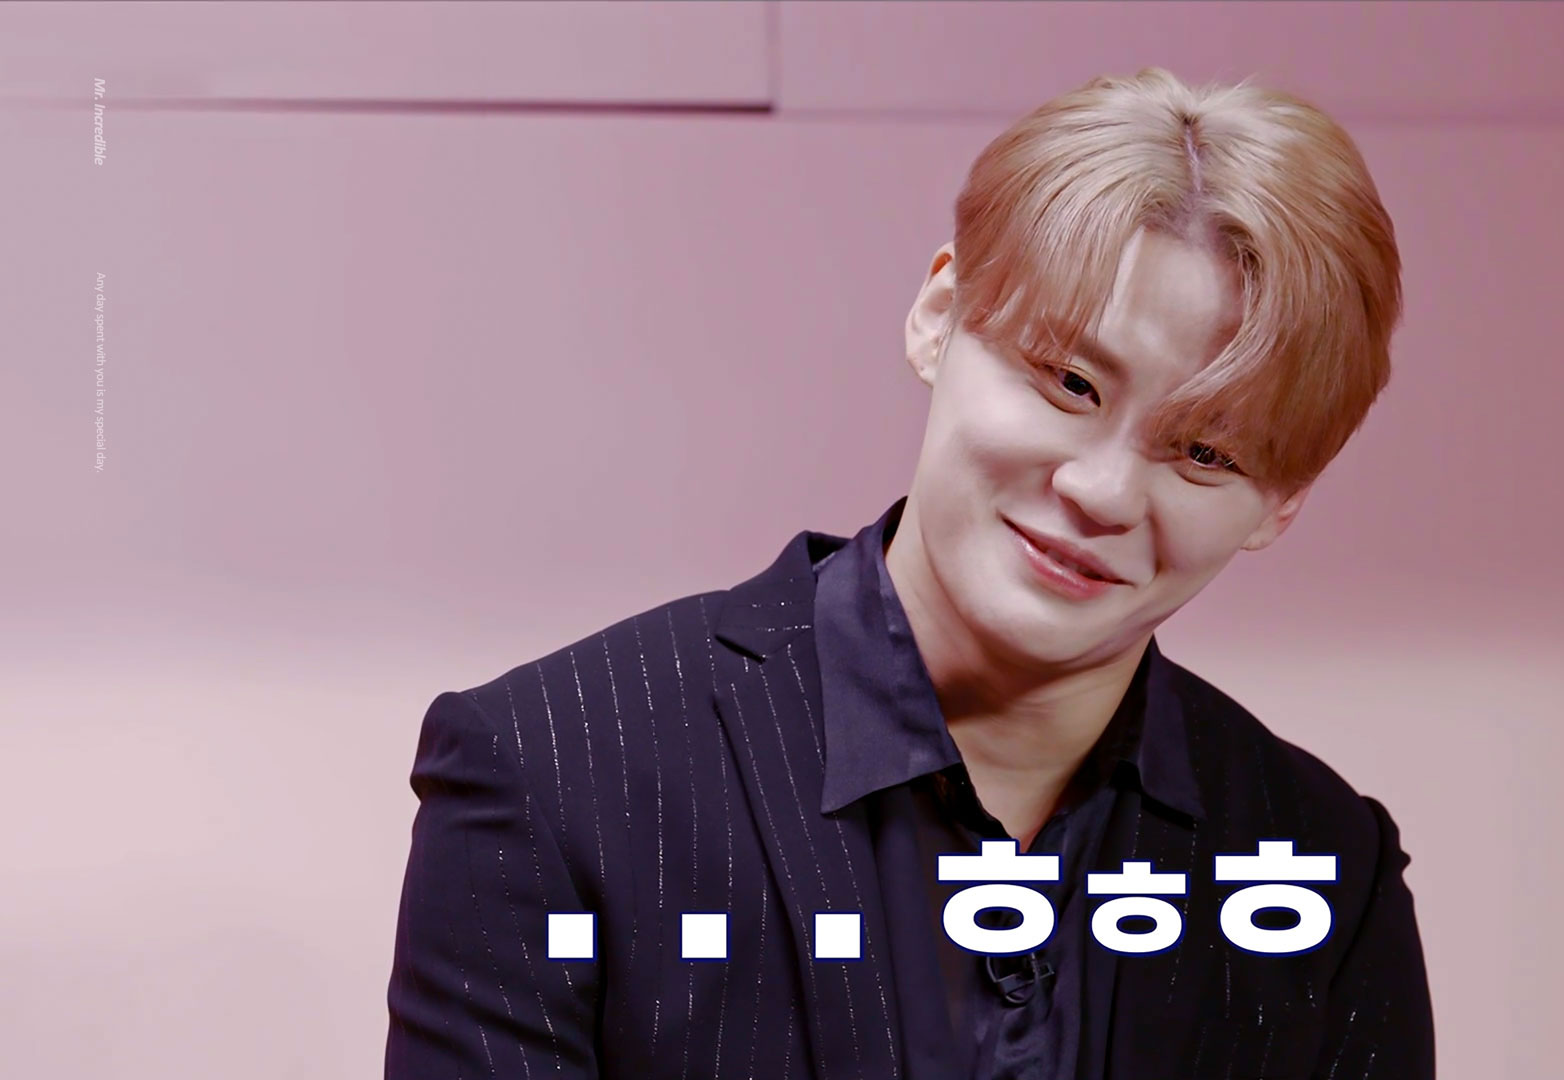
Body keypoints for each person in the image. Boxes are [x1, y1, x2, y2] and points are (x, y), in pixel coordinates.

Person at [384, 66, 1432, 1080]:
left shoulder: (1327, 870)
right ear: (942, 314)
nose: (1104, 491)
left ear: (1283, 501)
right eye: (1070, 383)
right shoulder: (553, 771)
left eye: (1205, 452)